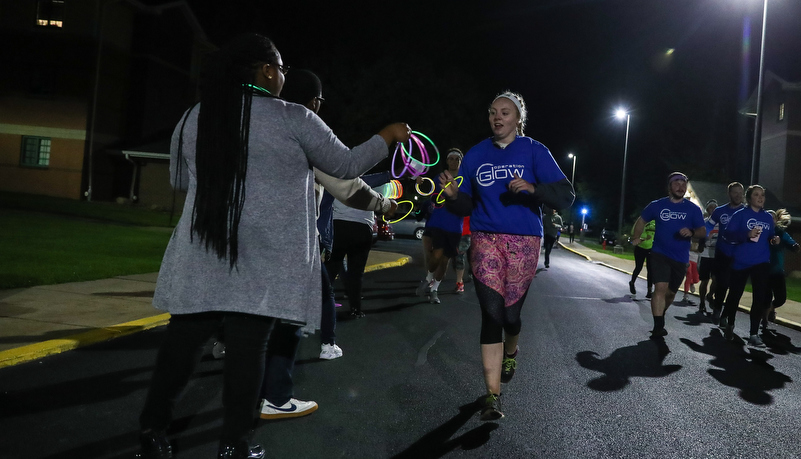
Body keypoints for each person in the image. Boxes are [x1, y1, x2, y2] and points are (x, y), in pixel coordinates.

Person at [135, 34, 411, 459]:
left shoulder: (196, 115)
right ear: (266, 70)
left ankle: (152, 434)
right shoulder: (293, 116)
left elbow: (179, 180)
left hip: (204, 251)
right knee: (248, 355)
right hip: (266, 260)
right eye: (281, 67)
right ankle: (234, 444)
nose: (283, 75)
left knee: (181, 348)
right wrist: (387, 136)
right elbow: (346, 165)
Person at [258, 69, 398, 422]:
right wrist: (389, 137)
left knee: (255, 310)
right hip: (291, 239)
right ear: (314, 102)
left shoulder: (255, 122)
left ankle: (228, 349)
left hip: (251, 235)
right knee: (294, 314)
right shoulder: (302, 125)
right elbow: (347, 177)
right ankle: (277, 393)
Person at [439, 91, 574, 421]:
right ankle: (492, 396)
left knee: (511, 318)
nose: (497, 117)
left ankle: (512, 348)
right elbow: (466, 205)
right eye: (492, 112)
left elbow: (565, 195)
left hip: (525, 241)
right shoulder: (475, 154)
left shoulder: (534, 150)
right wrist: (454, 197)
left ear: (518, 119)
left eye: (505, 112)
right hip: (485, 238)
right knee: (492, 315)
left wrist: (532, 188)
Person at [630, 172, 705, 339]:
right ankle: (658, 326)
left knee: (671, 293)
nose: (681, 186)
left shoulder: (693, 209)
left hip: (680, 258)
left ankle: (660, 313)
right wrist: (636, 237)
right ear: (669, 187)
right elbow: (641, 220)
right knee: (660, 288)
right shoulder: (657, 205)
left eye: (683, 183)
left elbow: (702, 231)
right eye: (676, 183)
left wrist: (692, 231)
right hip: (659, 254)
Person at [324, 173, 392, 318]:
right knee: (356, 272)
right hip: (361, 229)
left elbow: (324, 205)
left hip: (339, 227)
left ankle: (318, 306)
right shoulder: (364, 182)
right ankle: (355, 309)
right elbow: (385, 177)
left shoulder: (334, 182)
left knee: (330, 269)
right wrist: (400, 173)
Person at [720, 185, 780, 346]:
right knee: (735, 295)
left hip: (761, 262)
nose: (760, 198)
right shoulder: (740, 215)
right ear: (749, 198)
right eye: (756, 195)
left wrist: (774, 240)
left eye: (762, 195)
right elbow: (728, 235)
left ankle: (753, 334)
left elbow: (770, 235)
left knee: (759, 297)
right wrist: (746, 234)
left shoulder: (767, 217)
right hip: (741, 261)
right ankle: (730, 324)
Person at [415, 149, 465, 304]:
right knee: (436, 254)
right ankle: (428, 278)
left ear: (460, 162)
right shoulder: (439, 178)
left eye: (457, 158)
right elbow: (429, 194)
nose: (454, 161)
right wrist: (420, 183)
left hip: (455, 226)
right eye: (451, 158)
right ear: (447, 160)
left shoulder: (466, 180)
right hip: (438, 223)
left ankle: (434, 290)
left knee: (444, 261)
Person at [707, 182, 745, 324]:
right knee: (722, 284)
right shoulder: (720, 211)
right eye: (735, 192)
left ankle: (727, 316)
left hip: (740, 255)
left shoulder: (747, 212)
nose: (738, 195)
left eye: (740, 192)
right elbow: (708, 225)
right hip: (722, 253)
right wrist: (700, 235)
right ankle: (717, 309)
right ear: (729, 194)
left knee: (736, 288)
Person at [764, 209, 800, 329]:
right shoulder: (760, 232)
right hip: (763, 270)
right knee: (766, 297)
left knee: (781, 298)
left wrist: (794, 246)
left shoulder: (780, 232)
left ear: (776, 220)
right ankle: (764, 320)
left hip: (777, 271)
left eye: (773, 218)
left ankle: (772, 308)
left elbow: (789, 241)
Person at [697, 199, 718, 314]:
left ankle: (710, 295)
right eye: (711, 208)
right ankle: (701, 303)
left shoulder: (721, 222)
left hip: (716, 255)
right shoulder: (704, 222)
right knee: (704, 281)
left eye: (715, 208)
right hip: (705, 254)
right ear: (707, 210)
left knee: (716, 280)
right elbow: (699, 236)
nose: (713, 210)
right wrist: (702, 242)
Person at [628, 219, 655, 298]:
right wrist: (645, 237)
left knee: (650, 269)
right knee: (639, 267)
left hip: (651, 248)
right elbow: (634, 232)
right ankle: (632, 282)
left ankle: (649, 291)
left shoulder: (658, 221)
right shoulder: (642, 220)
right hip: (640, 247)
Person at [453, 216, 472, 293]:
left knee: (460, 256)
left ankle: (460, 283)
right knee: (456, 257)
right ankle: (460, 281)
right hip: (456, 232)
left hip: (466, 233)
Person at [681, 239, 701, 305]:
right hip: (688, 258)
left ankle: (692, 283)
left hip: (696, 259)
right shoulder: (689, 237)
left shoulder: (701, 238)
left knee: (696, 279)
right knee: (689, 274)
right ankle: (685, 294)